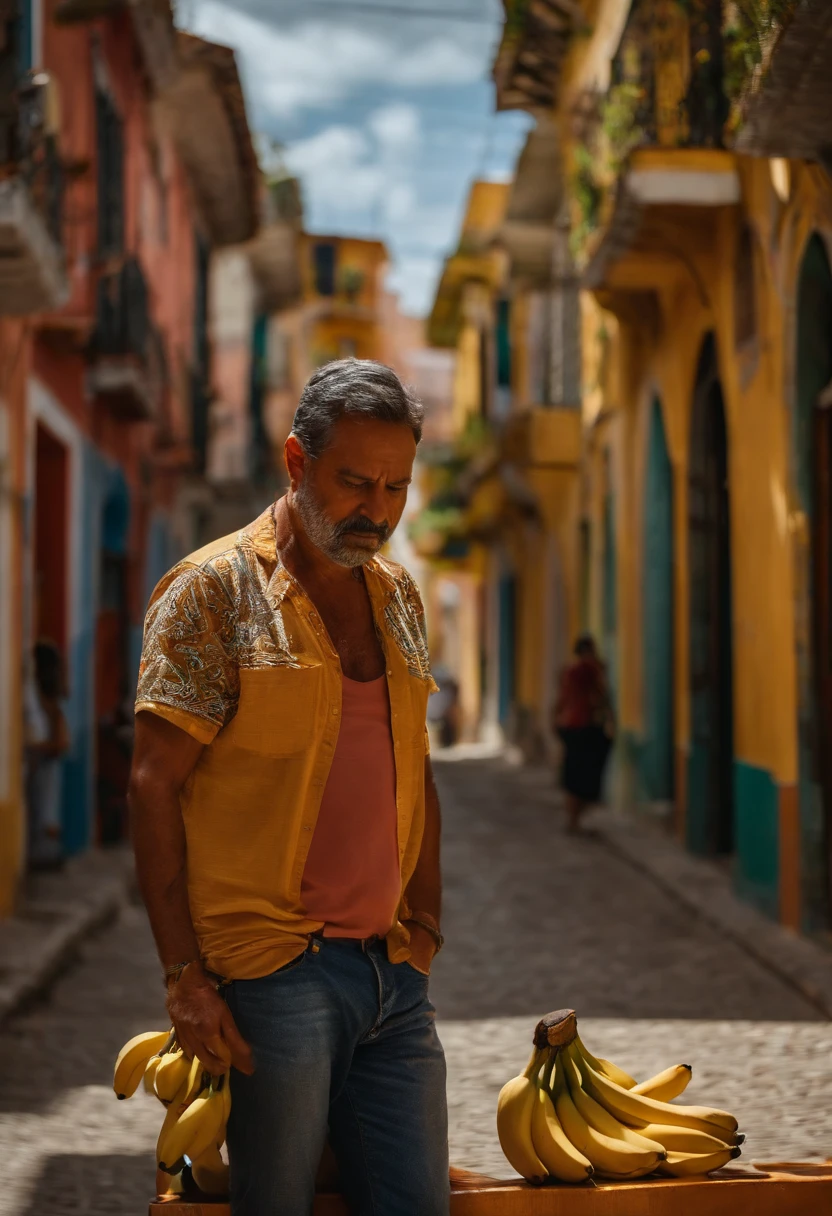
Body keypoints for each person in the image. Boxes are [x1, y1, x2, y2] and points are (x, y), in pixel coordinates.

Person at [129, 359, 449, 1216]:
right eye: (355, 481)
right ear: (297, 463)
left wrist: (426, 924)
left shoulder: (400, 598)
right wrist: (184, 978)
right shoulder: (212, 593)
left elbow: (414, 763)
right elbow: (153, 785)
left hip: (394, 977)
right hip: (277, 979)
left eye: (395, 487)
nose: (377, 509)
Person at [552, 635, 615, 834]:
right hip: (584, 728)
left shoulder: (569, 671)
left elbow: (561, 700)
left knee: (573, 775)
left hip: (570, 726)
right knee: (583, 776)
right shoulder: (588, 670)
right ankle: (574, 820)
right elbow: (600, 695)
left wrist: (555, 720)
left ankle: (573, 820)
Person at [25, 640, 68, 870]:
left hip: (43, 761)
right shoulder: (42, 700)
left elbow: (61, 742)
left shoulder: (47, 702)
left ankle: (44, 847)